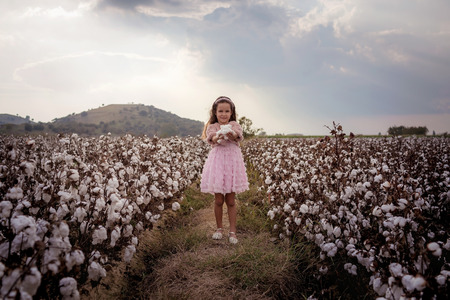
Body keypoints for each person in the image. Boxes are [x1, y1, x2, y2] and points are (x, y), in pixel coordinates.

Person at [200, 96, 249, 244]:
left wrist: (231, 134)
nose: (223, 114)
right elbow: (212, 138)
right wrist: (218, 136)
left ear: (231, 112)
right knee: (219, 200)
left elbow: (238, 136)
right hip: (218, 164)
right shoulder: (213, 127)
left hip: (232, 164)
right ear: (215, 112)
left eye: (227, 111)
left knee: (231, 201)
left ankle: (232, 232)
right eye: (220, 111)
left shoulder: (235, 125)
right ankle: (219, 229)